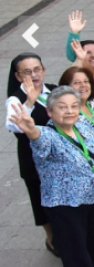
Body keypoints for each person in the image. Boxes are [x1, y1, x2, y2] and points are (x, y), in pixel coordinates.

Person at [7, 87, 94, 267]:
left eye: (74, 106)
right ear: (49, 112)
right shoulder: (46, 134)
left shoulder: (84, 124)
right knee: (77, 255)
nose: (70, 111)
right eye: (62, 107)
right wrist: (30, 130)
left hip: (93, 196)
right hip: (64, 205)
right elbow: (39, 140)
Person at [5, 53, 58, 254]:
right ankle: (51, 238)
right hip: (33, 159)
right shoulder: (15, 99)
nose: (33, 75)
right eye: (27, 72)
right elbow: (13, 125)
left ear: (43, 70)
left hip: (58, 155)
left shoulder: (53, 90)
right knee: (39, 198)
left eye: (37, 69)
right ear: (18, 76)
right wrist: (29, 103)